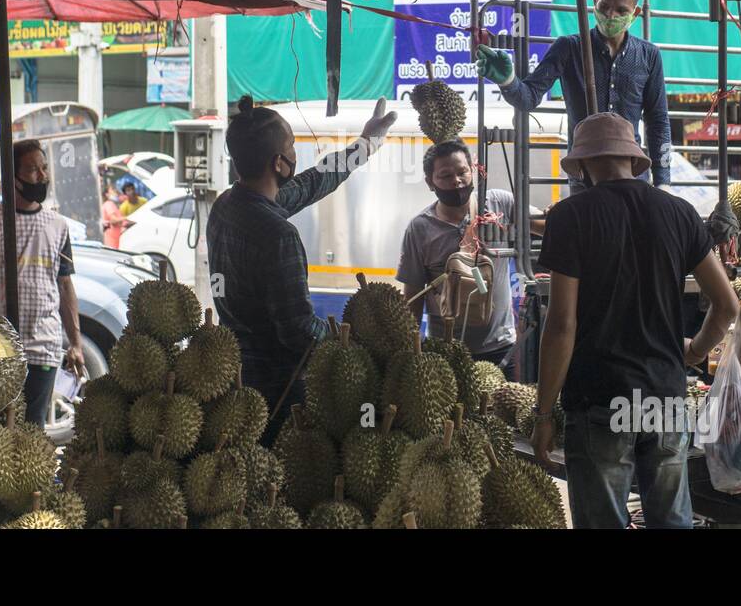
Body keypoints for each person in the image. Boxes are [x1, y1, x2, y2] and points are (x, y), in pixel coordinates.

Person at [532, 113, 737, 529]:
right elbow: (728, 306)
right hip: (665, 399)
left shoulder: (569, 217)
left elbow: (561, 325)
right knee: (672, 521)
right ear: (632, 159)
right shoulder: (679, 213)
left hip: (599, 400)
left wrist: (543, 415)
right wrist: (694, 350)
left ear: (585, 165)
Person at [208, 95, 396, 446]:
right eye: (293, 145)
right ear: (279, 163)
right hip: (277, 390)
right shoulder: (279, 235)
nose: (297, 153)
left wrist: (365, 145)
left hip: (233, 377)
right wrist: (353, 342)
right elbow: (298, 331)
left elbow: (310, 183)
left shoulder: (225, 206)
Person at [475, 0, 672, 193]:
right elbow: (528, 98)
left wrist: (663, 182)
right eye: (604, 6)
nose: (610, 15)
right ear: (594, 3)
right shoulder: (568, 48)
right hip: (585, 179)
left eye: (621, 10)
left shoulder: (649, 56)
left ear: (635, 13)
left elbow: (658, 121)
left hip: (634, 177)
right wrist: (507, 80)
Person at [0, 139, 84, 427]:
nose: (42, 176)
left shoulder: (58, 225)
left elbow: (64, 285)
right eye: (31, 170)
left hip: (44, 342)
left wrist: (75, 342)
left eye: (44, 168)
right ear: (11, 179)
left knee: (33, 427)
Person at [397, 140, 542, 378]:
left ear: (472, 170)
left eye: (462, 171)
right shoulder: (420, 228)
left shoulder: (498, 204)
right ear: (430, 182)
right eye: (445, 175)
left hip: (500, 349)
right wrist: (410, 351)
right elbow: (413, 296)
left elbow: (544, 225)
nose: (457, 180)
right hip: (445, 351)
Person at [101, 183, 128, 248]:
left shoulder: (111, 204)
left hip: (114, 238)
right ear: (107, 194)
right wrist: (128, 218)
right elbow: (113, 220)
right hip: (112, 239)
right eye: (112, 191)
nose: (115, 193)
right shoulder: (109, 204)